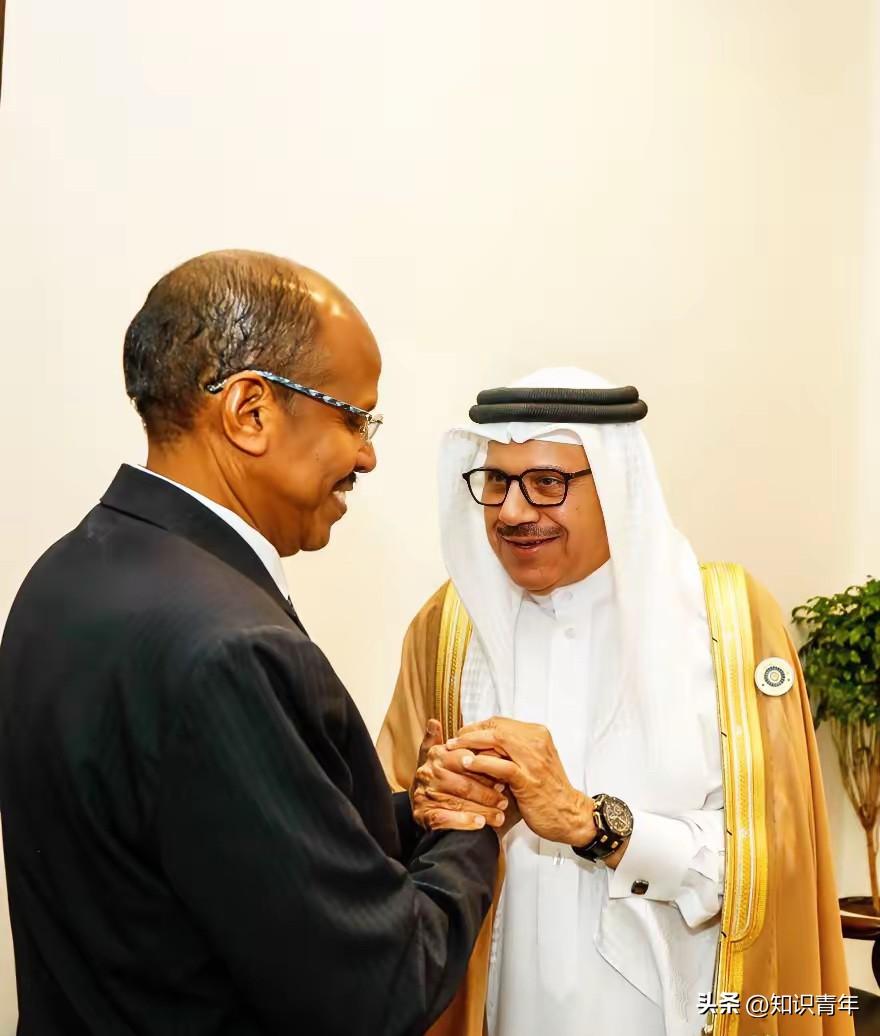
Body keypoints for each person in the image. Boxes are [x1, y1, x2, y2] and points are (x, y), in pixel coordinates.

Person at [0, 250, 505, 1036]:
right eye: (354, 418)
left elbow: (215, 837)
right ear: (250, 411)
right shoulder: (232, 646)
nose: (367, 455)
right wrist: (468, 835)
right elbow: (381, 989)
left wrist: (416, 816)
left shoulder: (64, 574)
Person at [378, 368, 853, 1036]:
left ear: (617, 482)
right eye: (496, 483)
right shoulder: (451, 628)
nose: (512, 512)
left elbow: (770, 866)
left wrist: (590, 822)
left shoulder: (724, 625)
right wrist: (431, 806)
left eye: (547, 482)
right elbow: (378, 834)